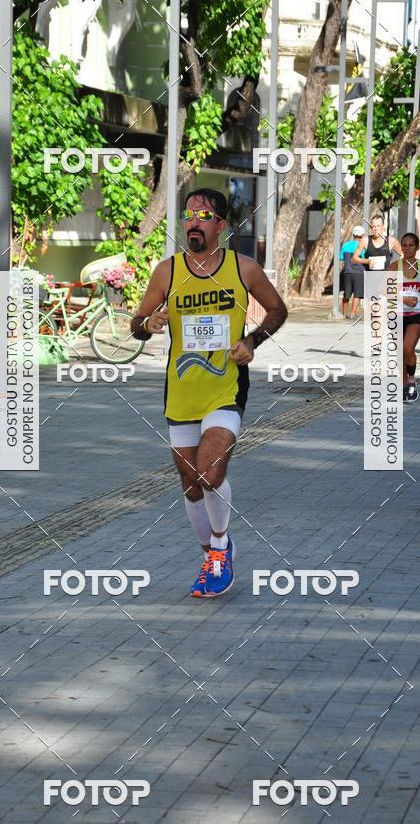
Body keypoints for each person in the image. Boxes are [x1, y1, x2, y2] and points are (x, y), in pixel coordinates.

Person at [130, 188, 288, 598]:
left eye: (203, 215)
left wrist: (252, 341)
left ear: (221, 225)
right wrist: (149, 324)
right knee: (191, 483)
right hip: (181, 391)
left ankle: (220, 550)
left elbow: (278, 310)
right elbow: (137, 322)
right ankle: (211, 553)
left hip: (225, 387)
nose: (193, 222)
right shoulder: (167, 272)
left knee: (209, 472)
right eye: (188, 215)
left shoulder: (244, 268)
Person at [387, 233, 420, 403]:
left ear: (417, 247)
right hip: (396, 314)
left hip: (417, 314)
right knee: (399, 351)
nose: (407, 249)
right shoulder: (394, 267)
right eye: (404, 245)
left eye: (411, 245)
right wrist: (402, 298)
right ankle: (404, 384)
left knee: (408, 348)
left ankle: (412, 379)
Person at [340, 225, 366, 319]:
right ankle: (353, 314)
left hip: (347, 272)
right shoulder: (362, 246)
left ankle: (344, 314)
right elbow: (364, 258)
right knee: (357, 294)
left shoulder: (346, 245)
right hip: (359, 273)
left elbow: (341, 258)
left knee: (346, 294)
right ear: (363, 235)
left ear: (353, 234)